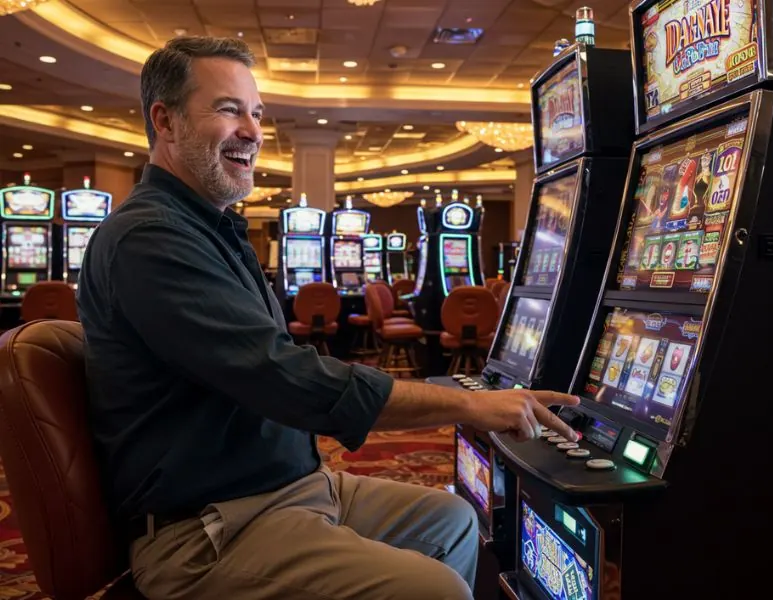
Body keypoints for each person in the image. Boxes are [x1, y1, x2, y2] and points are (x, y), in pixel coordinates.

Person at [76, 36, 580, 600]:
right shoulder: (151, 239)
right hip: (207, 527)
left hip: (283, 488)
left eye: (257, 113)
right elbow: (282, 377)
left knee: (454, 521)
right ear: (164, 122)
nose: (252, 130)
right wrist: (466, 404)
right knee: (432, 588)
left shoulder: (210, 229)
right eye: (228, 109)